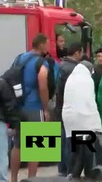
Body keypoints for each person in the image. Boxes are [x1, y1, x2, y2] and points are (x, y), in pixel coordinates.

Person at [10, 34, 50, 182]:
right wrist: (46, 108)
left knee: (18, 144)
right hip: (35, 107)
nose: (49, 46)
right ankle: (32, 179)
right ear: (41, 45)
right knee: (36, 146)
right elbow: (43, 86)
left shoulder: (20, 58)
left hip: (19, 107)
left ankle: (13, 179)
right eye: (47, 43)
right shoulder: (41, 63)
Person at [62, 60, 102, 179]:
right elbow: (89, 102)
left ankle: (73, 173)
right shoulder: (87, 80)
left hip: (70, 118)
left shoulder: (71, 78)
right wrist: (97, 122)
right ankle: (88, 174)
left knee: (77, 148)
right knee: (87, 148)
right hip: (84, 118)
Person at [56, 42, 84, 176]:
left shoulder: (60, 65)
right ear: (77, 52)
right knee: (69, 141)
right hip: (70, 108)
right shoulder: (75, 69)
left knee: (62, 139)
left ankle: (62, 169)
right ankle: (69, 171)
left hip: (59, 107)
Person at [0, 78, 19, 182]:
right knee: (2, 155)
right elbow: (9, 106)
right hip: (34, 108)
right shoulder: (2, 83)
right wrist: (14, 125)